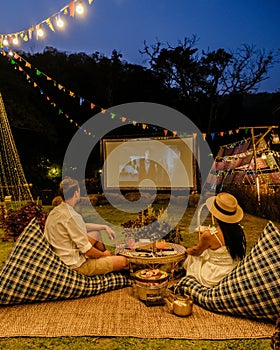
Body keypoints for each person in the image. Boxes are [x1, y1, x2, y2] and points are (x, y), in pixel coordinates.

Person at [44, 177, 128, 276]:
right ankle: (106, 259)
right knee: (123, 261)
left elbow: (81, 226)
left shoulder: (56, 211)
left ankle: (106, 259)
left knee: (95, 233)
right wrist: (103, 255)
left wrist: (104, 227)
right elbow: (88, 251)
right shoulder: (72, 216)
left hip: (61, 256)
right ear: (76, 193)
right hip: (74, 265)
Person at [183, 192, 246, 287]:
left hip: (214, 277)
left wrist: (187, 250)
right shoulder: (239, 231)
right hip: (233, 273)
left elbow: (196, 251)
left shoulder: (209, 235)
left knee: (194, 258)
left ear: (215, 214)